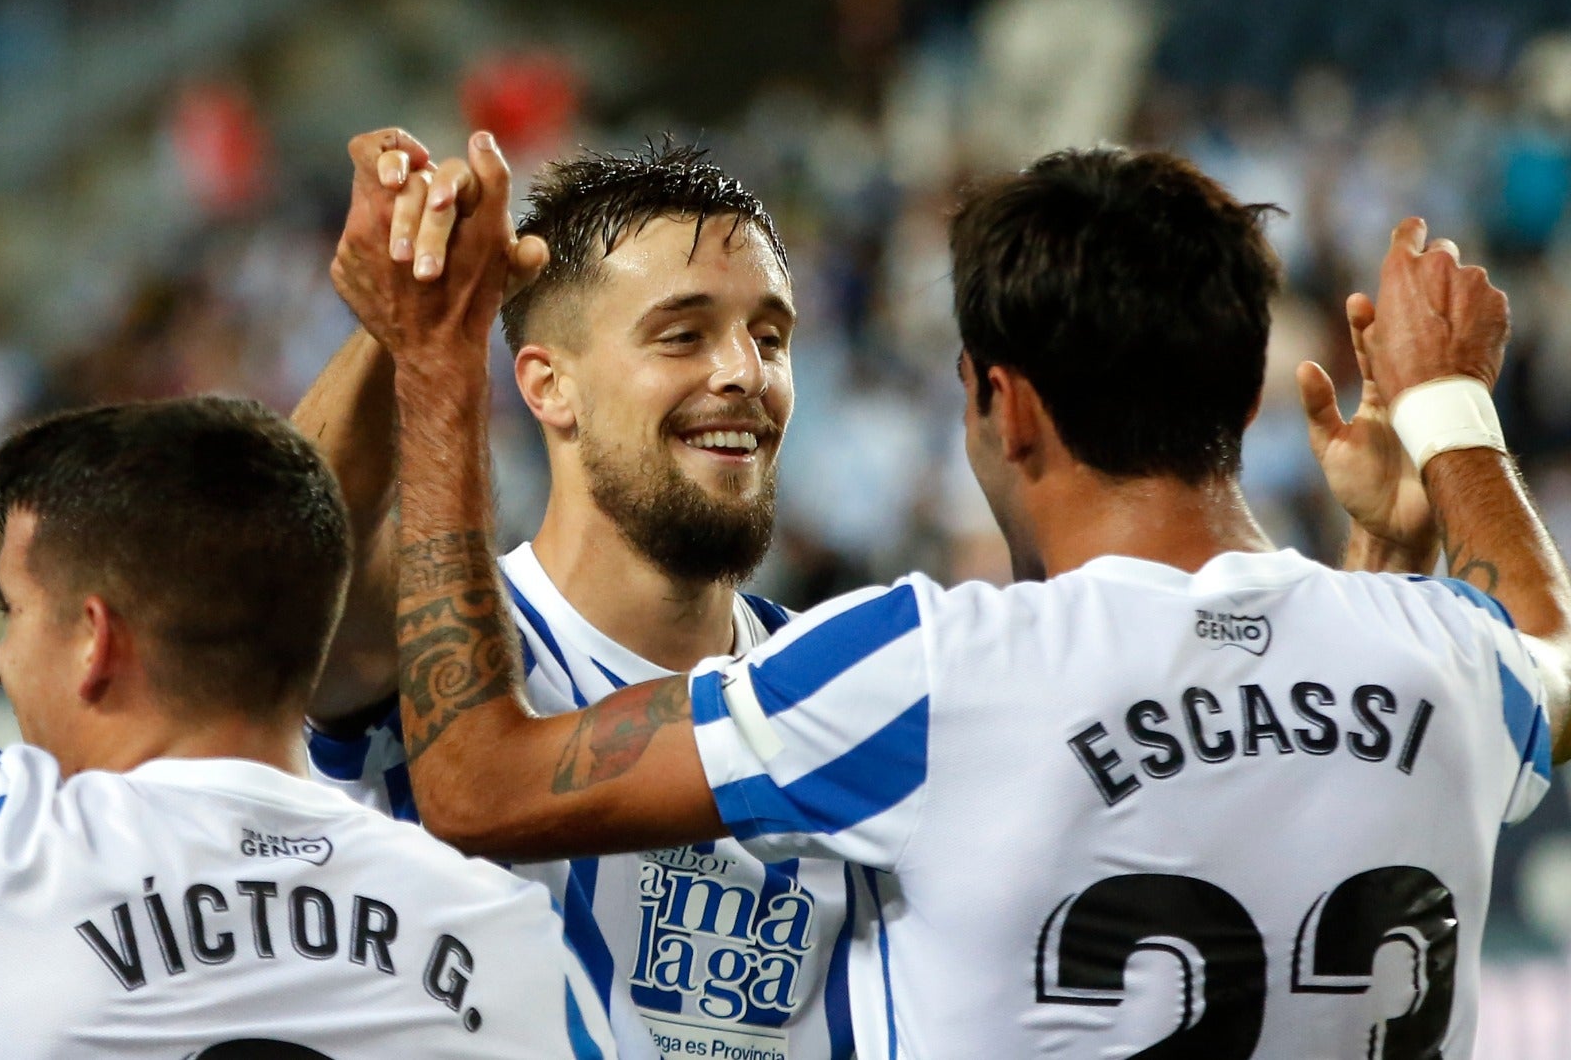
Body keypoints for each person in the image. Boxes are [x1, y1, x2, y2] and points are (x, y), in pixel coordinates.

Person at [380, 141, 1570, 1058]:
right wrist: (1445, 413)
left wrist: (435, 364)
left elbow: (477, 784)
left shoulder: (927, 669)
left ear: (1004, 407)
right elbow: (1543, 644)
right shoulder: (1440, 660)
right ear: (1243, 402)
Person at [297, 128, 854, 1060]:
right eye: (682, 335)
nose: (746, 375)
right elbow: (289, 558)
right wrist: (407, 321)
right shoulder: (446, 653)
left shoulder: (846, 683)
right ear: (548, 387)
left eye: (771, 337)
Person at [0, 396, 617, 1059]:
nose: (0, 660)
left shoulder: (4, 841)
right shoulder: (511, 934)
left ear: (94, 639)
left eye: (13, 611)